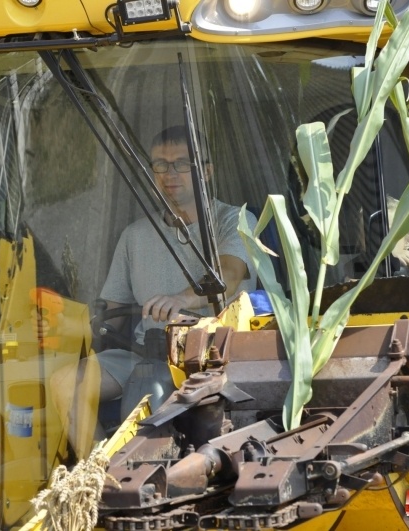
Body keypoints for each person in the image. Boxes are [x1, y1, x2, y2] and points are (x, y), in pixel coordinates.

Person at [48, 126, 257, 456]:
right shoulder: (134, 236)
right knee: (63, 382)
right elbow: (108, 317)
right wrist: (60, 325)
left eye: (181, 164)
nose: (170, 174)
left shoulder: (233, 221)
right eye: (160, 164)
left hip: (211, 360)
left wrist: (182, 299)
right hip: (143, 353)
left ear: (206, 171)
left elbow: (229, 274)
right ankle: (100, 475)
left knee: (156, 386)